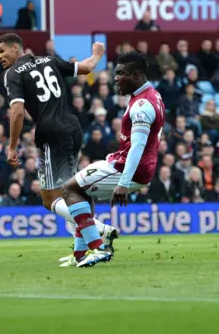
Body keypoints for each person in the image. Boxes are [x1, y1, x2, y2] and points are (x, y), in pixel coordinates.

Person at [0, 33, 117, 264]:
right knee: (73, 191)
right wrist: (97, 54)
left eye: (2, 51)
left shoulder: (12, 74)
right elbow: (86, 67)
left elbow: (18, 112)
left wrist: (12, 146)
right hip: (73, 127)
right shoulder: (49, 60)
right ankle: (80, 252)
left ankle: (98, 237)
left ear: (15, 48)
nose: (0, 57)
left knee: (50, 198)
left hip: (51, 132)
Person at [61, 51, 165, 267]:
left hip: (127, 168)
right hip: (126, 163)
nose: (115, 78)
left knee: (70, 190)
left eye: (120, 73)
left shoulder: (141, 106)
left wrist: (123, 184)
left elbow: (138, 146)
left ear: (136, 75)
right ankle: (81, 254)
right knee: (81, 190)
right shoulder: (151, 96)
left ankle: (98, 247)